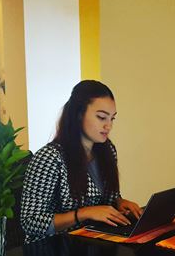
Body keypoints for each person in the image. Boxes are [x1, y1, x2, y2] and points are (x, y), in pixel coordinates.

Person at [21, 80, 143, 243]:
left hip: (92, 241)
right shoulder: (49, 157)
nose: (108, 126)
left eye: (112, 119)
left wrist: (119, 202)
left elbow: (105, 199)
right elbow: (30, 222)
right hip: (53, 247)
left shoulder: (107, 150)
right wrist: (84, 213)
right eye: (101, 117)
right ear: (78, 114)